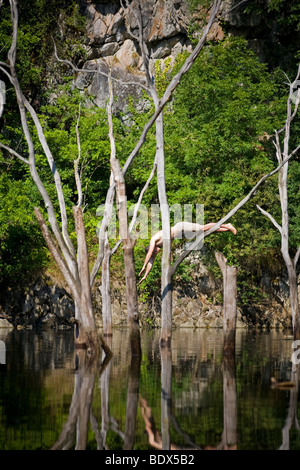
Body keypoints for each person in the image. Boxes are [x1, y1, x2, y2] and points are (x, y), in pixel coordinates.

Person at [138, 221, 237, 284]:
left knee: (203, 228)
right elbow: (151, 260)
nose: (157, 253)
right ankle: (227, 229)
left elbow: (150, 254)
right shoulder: (159, 245)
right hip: (182, 234)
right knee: (208, 231)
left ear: (153, 248)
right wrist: (145, 275)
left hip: (181, 228)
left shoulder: (153, 240)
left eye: (155, 252)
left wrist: (143, 266)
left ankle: (225, 224)